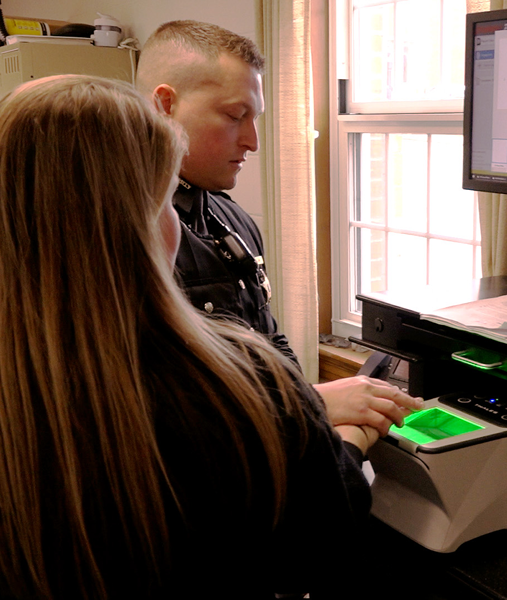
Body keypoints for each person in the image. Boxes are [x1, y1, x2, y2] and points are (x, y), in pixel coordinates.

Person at [0, 75, 376, 598]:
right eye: (164, 202)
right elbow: (324, 554)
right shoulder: (246, 390)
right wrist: (347, 441)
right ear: (133, 226)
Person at [135, 21, 423, 437]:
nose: (252, 141)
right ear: (165, 104)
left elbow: (269, 344)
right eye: (235, 116)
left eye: (255, 118)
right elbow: (163, 404)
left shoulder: (231, 220)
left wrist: (315, 404)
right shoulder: (129, 237)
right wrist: (316, 403)